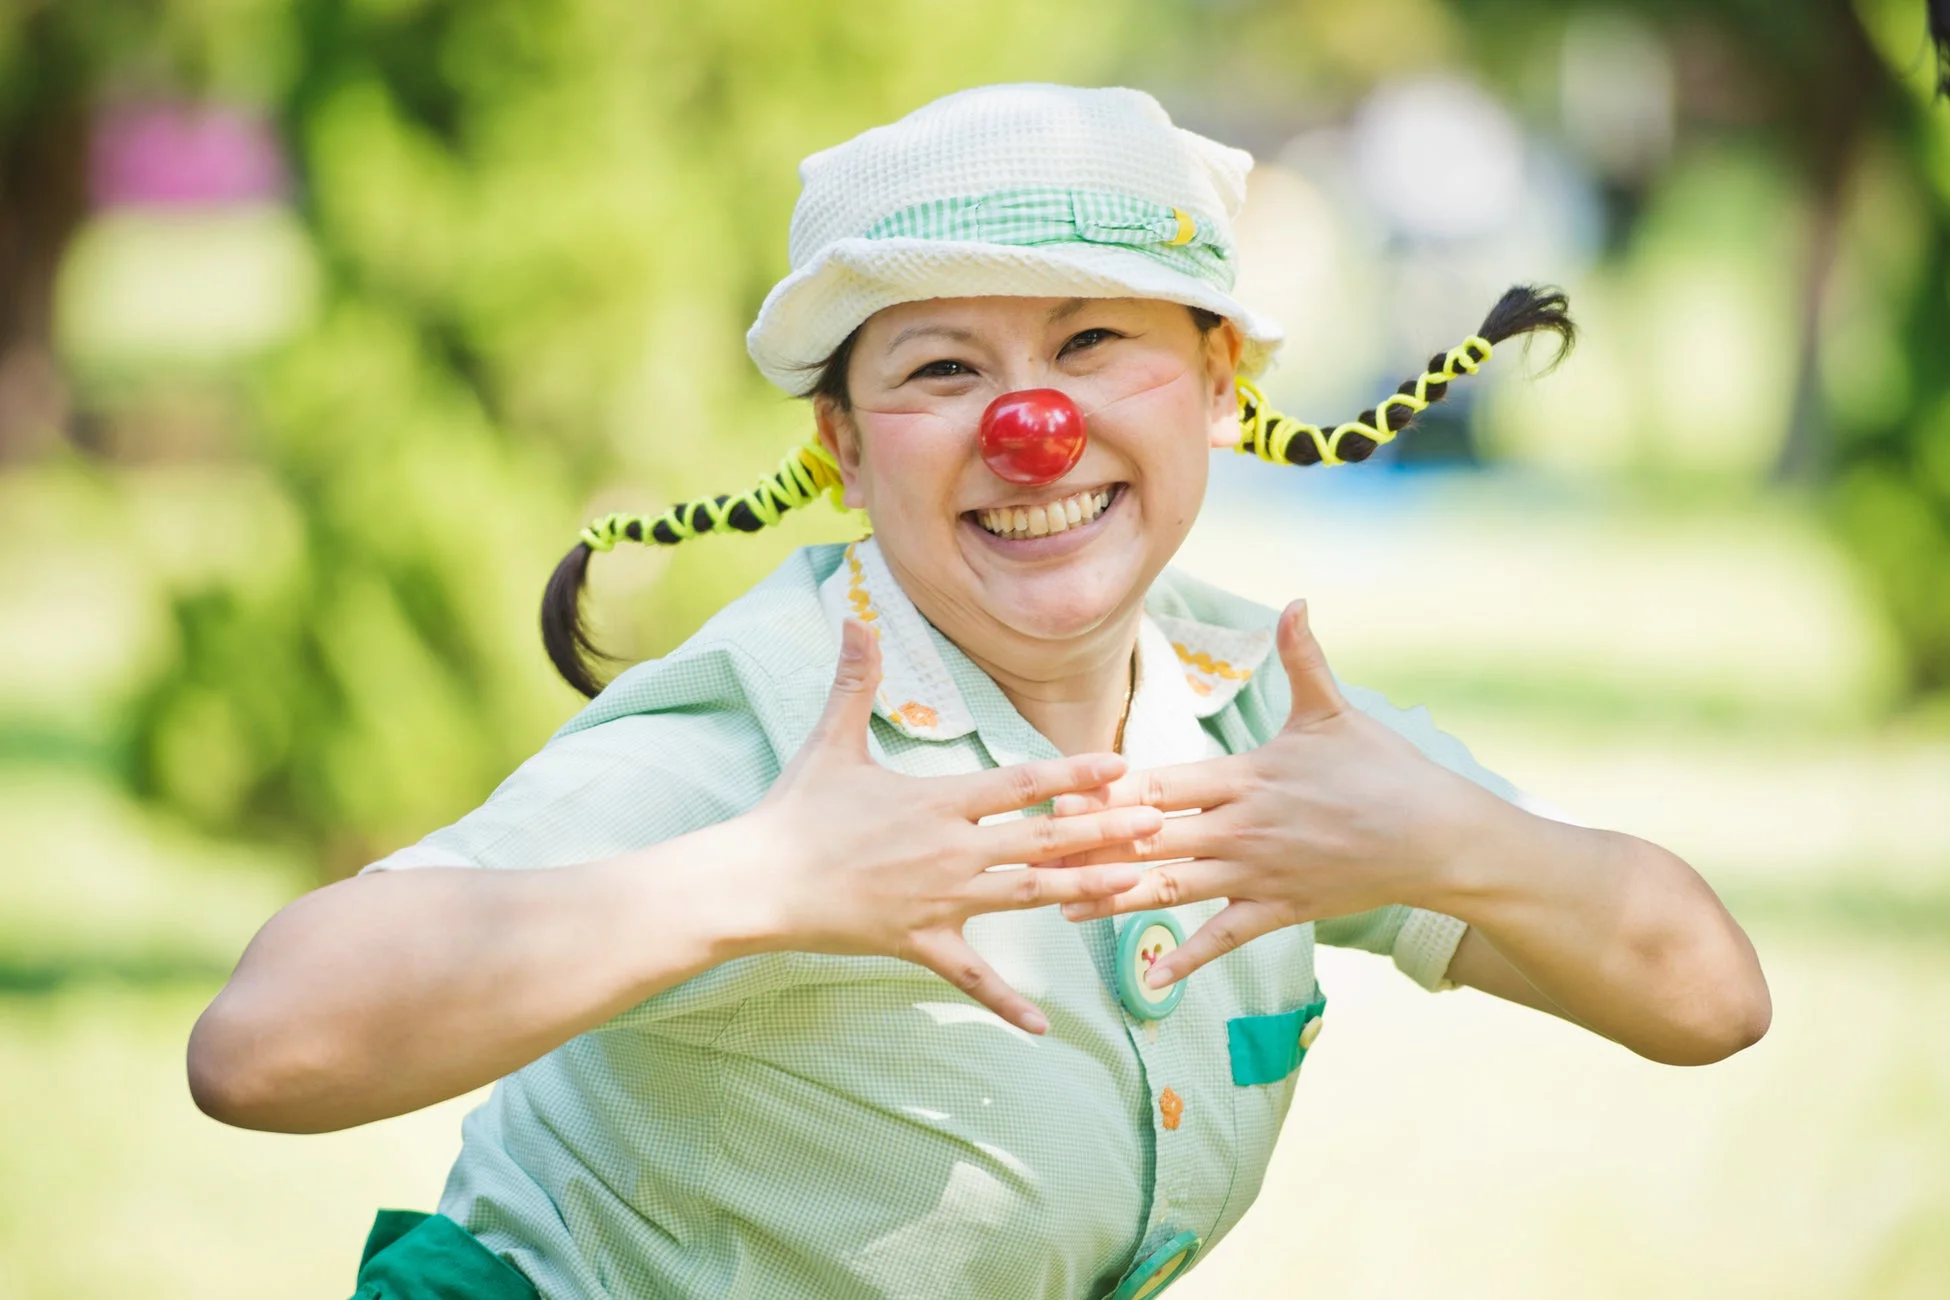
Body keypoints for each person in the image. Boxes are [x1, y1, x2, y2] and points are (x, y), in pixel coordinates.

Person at [187, 84, 1771, 1300]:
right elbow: (266, 1046)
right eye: (942, 369)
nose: (1031, 424)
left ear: (1222, 387)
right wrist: (761, 883)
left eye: (1094, 341)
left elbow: (1704, 1000)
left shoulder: (1249, 716)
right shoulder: (769, 726)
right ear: (844, 449)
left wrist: (1447, 843)